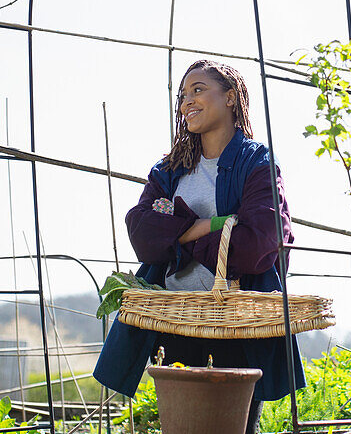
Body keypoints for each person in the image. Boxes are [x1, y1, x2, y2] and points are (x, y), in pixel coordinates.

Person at [93, 60, 303, 434]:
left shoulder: (256, 162)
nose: (187, 101)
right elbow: (141, 233)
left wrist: (176, 238)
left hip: (235, 320)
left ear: (231, 97)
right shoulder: (170, 169)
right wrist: (207, 226)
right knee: (183, 426)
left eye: (199, 89)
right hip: (178, 317)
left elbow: (257, 244)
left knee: (233, 428)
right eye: (183, 94)